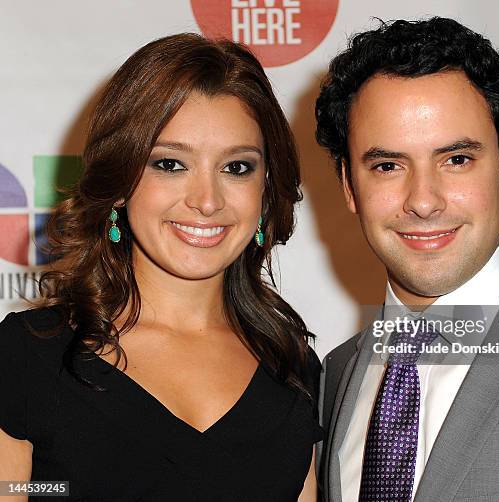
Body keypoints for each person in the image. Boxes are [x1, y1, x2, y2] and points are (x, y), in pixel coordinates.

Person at [0, 33, 321, 501]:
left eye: (237, 168)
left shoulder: (290, 367)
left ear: (266, 190)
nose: (206, 201)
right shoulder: (28, 356)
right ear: (120, 181)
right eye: (170, 164)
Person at [315, 17, 499, 502]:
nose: (424, 201)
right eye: (388, 166)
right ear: (350, 187)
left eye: (456, 159)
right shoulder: (336, 374)